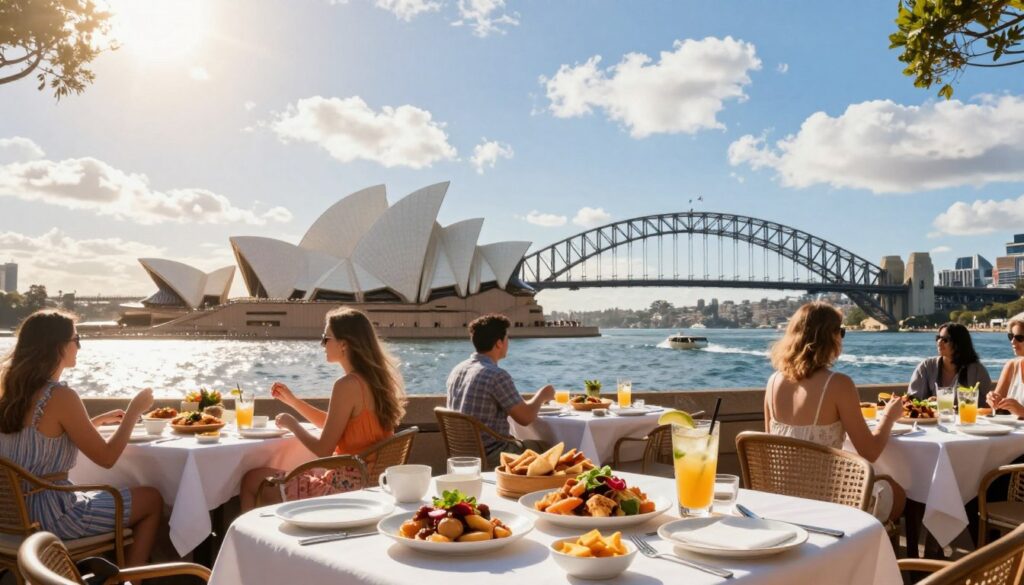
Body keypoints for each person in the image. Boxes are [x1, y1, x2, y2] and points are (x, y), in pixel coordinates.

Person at [0, 310, 163, 567]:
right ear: (58, 347)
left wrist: (92, 423)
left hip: (11, 517)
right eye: (77, 339)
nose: (79, 347)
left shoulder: (9, 393)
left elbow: (35, 434)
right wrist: (134, 410)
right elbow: (107, 458)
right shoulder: (60, 396)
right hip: (52, 517)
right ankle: (132, 580)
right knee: (152, 498)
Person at [240, 307, 406, 511]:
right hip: (370, 484)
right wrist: (293, 401)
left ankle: (245, 541)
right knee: (258, 477)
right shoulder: (374, 382)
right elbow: (337, 425)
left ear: (344, 344)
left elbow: (323, 450)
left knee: (252, 480)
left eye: (326, 338)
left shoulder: (346, 385)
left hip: (344, 490)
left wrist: (293, 425)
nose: (322, 345)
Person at [765, 302, 901, 462]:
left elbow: (769, 446)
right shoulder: (838, 385)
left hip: (778, 486)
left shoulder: (773, 382)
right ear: (829, 337)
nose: (842, 338)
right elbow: (870, 452)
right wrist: (889, 417)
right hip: (824, 486)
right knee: (899, 486)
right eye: (841, 332)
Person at [446, 314, 555, 467]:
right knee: (553, 448)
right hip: (491, 454)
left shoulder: (458, 370)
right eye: (507, 339)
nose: (508, 343)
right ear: (499, 343)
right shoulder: (496, 375)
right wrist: (542, 395)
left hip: (461, 453)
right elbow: (525, 418)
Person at [908, 322, 992, 406]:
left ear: (959, 343)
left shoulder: (977, 371)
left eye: (945, 340)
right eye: (938, 338)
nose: (939, 342)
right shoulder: (926, 367)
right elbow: (912, 401)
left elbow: (987, 404)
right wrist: (929, 403)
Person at [985, 316, 1024, 416]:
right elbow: (996, 407)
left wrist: (1022, 411)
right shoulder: (1012, 366)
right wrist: (993, 399)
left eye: (1019, 338)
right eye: (1011, 336)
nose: (1012, 342)